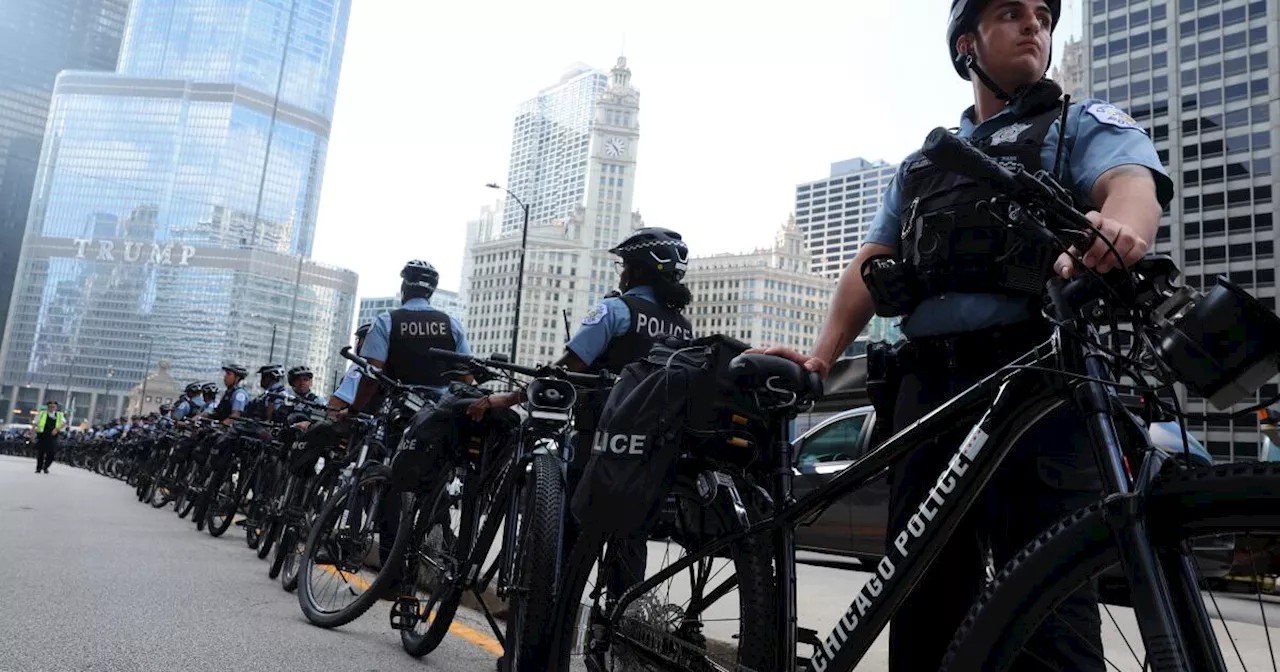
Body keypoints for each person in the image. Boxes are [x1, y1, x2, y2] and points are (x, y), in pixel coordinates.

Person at [758, 1, 1173, 670]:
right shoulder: (922, 166)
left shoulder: (1078, 123)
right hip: (930, 394)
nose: (1035, 24)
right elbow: (870, 262)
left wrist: (1120, 233)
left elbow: (1130, 184)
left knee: (1052, 609)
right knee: (923, 604)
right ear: (966, 46)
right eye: (1011, 12)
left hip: (1038, 384)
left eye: (1042, 13)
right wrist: (820, 357)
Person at [472, 227, 695, 602]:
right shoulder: (684, 330)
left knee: (566, 535)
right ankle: (620, 628)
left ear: (637, 271)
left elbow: (563, 373)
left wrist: (508, 398)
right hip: (651, 457)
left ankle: (542, 625)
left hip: (598, 444)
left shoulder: (615, 310)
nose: (621, 274)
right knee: (631, 541)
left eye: (624, 267)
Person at [352, 259, 472, 410]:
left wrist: (353, 411)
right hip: (441, 413)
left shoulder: (386, 321)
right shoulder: (452, 324)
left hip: (399, 409)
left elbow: (372, 376)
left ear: (404, 287)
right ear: (431, 291)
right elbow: (466, 377)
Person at [31, 400, 66, 473]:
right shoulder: (42, 414)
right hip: (42, 436)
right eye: (50, 406)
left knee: (52, 453)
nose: (52, 408)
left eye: (53, 407)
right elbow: (34, 424)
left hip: (53, 436)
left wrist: (57, 429)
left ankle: (46, 466)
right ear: (48, 407)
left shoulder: (59, 415)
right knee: (41, 453)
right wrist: (32, 434)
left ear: (56, 407)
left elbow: (64, 423)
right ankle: (38, 468)